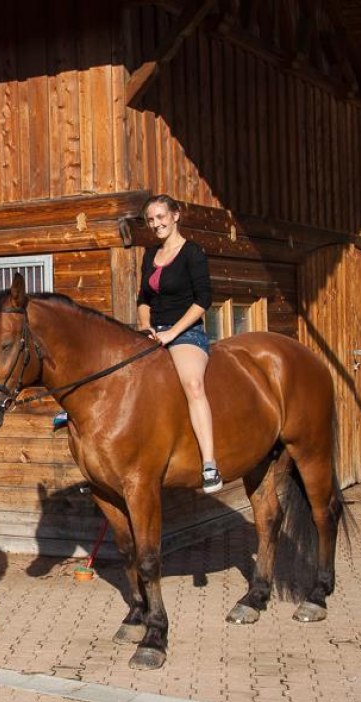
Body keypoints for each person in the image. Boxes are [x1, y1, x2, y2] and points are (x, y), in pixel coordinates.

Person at [136, 194, 222, 494]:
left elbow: (203, 301)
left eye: (161, 217)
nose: (156, 224)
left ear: (175, 216)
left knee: (193, 385)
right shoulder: (150, 255)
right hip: (152, 331)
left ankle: (210, 463)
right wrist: (145, 326)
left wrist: (172, 333)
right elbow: (144, 298)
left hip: (186, 333)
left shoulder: (193, 253)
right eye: (150, 219)